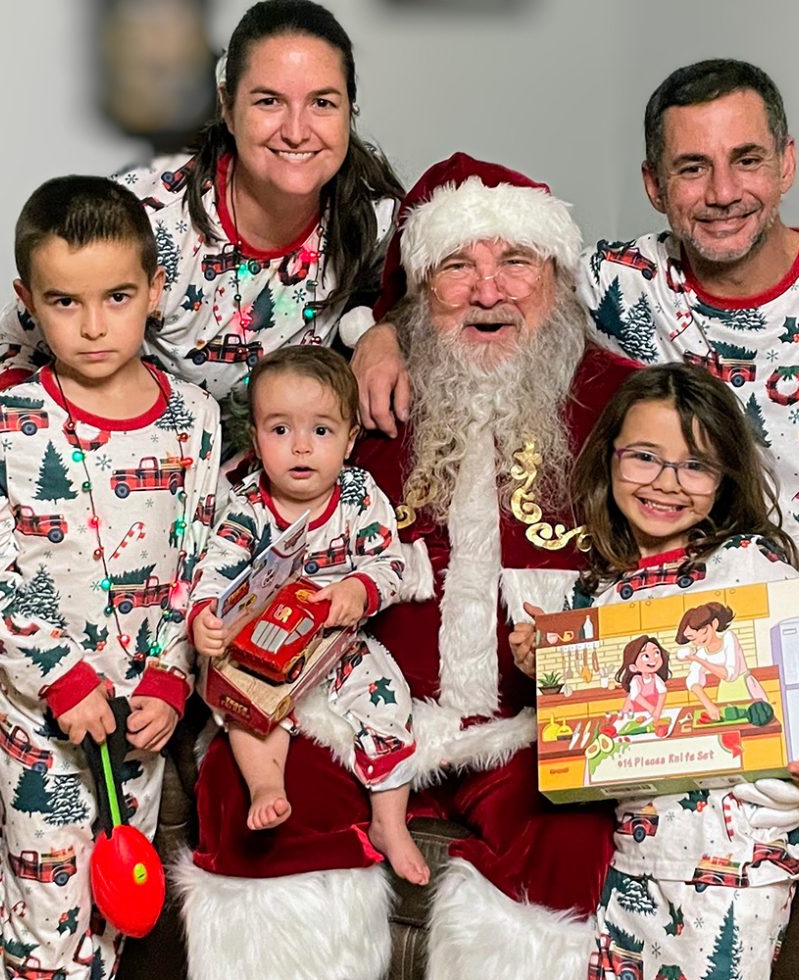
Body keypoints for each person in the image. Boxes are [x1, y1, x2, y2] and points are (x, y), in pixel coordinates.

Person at [175, 153, 638, 980]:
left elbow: (693, 566)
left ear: (558, 277)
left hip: (529, 726)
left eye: (516, 261)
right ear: (419, 293)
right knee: (248, 800)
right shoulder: (349, 400)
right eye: (457, 266)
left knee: (573, 828)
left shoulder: (624, 404)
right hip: (354, 711)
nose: (488, 290)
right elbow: (242, 515)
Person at [576, 59, 799, 980]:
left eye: (746, 159)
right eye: (692, 167)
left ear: (787, 163)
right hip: (689, 610)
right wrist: (379, 334)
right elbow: (484, 278)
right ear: (654, 184)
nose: (722, 192)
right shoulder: (615, 284)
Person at [509, 363, 799, 980]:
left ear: (724, 475)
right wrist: (543, 663)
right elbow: (599, 717)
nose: (666, 483)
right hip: (632, 859)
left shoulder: (751, 565)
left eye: (695, 465)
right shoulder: (599, 592)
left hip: (742, 863)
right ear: (609, 457)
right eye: (644, 457)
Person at [0, 176, 220, 978]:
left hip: (140, 719)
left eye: (117, 297)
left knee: (117, 908)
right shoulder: (7, 425)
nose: (95, 325)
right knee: (46, 921)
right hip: (41, 720)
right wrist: (61, 678)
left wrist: (173, 676)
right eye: (65, 302)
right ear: (28, 303)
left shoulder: (194, 420)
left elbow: (204, 562)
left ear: (155, 290)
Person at [0, 0, 402, 430]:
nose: (296, 131)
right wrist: (9, 435)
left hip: (283, 462)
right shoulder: (146, 214)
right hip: (137, 453)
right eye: (269, 101)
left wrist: (387, 333)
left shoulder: (374, 219)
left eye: (322, 103)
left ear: (349, 110)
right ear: (228, 107)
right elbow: (19, 337)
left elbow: (425, 301)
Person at [187, 345, 428, 884]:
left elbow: (391, 560)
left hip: (337, 643)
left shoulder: (358, 497)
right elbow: (216, 569)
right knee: (244, 708)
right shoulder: (248, 507)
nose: (300, 446)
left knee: (389, 703)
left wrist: (359, 589)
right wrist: (206, 616)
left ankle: (389, 821)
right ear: (256, 441)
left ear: (349, 440)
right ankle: (266, 785)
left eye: (321, 431)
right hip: (262, 644)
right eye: (280, 430)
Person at [675, 601, 767, 720]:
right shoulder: (702, 653)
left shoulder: (729, 638)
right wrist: (708, 704)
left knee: (756, 721)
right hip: (725, 691)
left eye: (704, 632)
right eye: (692, 638)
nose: (699, 640)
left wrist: (697, 659)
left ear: (714, 624)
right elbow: (693, 680)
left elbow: (729, 675)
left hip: (746, 686)